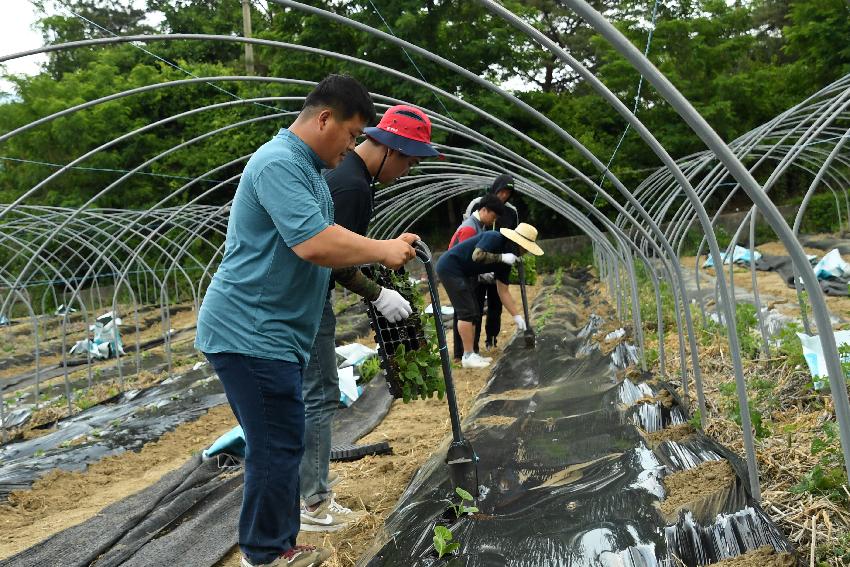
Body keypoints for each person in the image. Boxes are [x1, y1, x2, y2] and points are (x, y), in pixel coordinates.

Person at [195, 75, 417, 567]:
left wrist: (374, 277)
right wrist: (382, 252)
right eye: (353, 134)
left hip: (274, 334)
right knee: (276, 442)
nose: (355, 145)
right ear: (324, 119)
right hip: (248, 331)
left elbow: (329, 240)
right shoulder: (278, 163)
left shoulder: (310, 170)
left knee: (284, 437)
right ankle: (266, 553)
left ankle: (281, 542)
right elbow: (313, 242)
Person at [299, 104, 440, 532]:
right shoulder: (352, 186)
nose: (409, 169)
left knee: (318, 394)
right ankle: (314, 504)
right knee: (319, 397)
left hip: (309, 299)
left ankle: (314, 492)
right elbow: (331, 253)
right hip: (307, 303)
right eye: (410, 159)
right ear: (389, 149)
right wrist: (378, 294)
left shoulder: (357, 180)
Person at [436, 223, 544, 369]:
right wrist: (501, 257)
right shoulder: (494, 237)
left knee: (474, 312)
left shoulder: (508, 259)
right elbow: (477, 255)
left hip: (463, 273)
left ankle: (472, 354)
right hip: (449, 268)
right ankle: (467, 356)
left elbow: (503, 290)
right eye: (525, 248)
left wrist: (517, 316)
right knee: (466, 312)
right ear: (518, 242)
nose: (525, 252)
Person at [463, 174, 519, 350]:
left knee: (496, 304)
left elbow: (514, 238)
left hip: (500, 263)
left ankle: (491, 339)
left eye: (508, 193)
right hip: (477, 263)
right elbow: (468, 231)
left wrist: (513, 257)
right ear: (495, 188)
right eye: (502, 191)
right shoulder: (477, 204)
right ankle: (474, 346)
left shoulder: (512, 211)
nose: (504, 196)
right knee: (476, 305)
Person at [447, 194, 506, 360]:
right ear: (484, 210)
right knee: (465, 313)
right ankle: (462, 354)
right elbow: (468, 257)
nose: (493, 221)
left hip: (463, 273)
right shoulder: (470, 228)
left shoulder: (478, 226)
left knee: (469, 312)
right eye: (493, 216)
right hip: (459, 274)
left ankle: (469, 352)